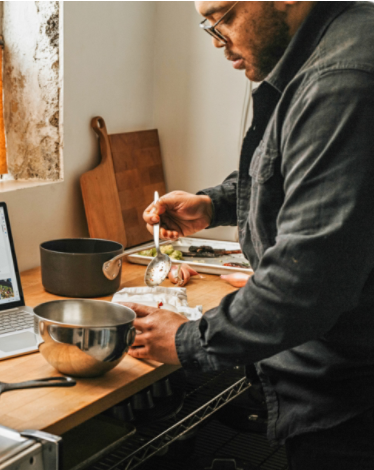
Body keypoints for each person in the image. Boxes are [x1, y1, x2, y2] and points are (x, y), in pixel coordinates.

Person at [120, 2, 374, 468]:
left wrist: (187, 342)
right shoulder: (331, 50)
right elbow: (300, 173)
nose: (217, 40)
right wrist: (213, 204)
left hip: (352, 405)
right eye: (208, 24)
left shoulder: (342, 80)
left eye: (224, 16)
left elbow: (306, 283)